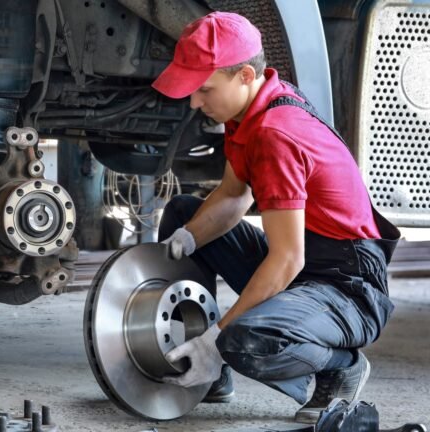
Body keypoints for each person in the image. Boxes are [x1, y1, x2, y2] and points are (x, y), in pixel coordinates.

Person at [151, 11, 401, 423]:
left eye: (204, 90)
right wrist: (188, 240)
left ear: (245, 76)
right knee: (183, 214)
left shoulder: (275, 134)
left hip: (348, 286)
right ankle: (206, 368)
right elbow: (233, 194)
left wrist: (217, 340)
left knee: (244, 340)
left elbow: (287, 260)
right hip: (307, 261)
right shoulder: (246, 111)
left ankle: (341, 367)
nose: (195, 102)